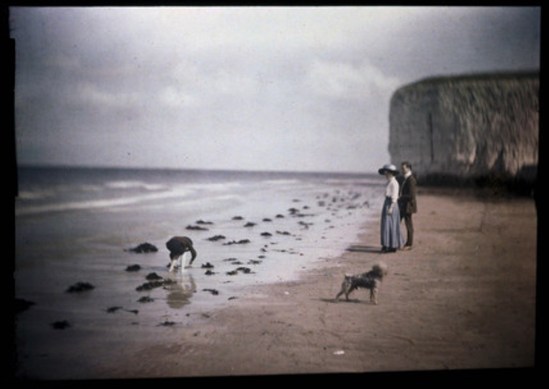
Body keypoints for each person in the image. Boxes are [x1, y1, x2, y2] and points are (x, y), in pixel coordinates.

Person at [378, 164, 404, 253]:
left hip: (391, 204)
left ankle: (392, 245)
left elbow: (395, 197)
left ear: (390, 173)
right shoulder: (390, 182)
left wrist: (391, 208)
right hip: (387, 203)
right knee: (386, 224)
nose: (385, 174)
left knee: (390, 224)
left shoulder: (394, 183)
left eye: (386, 172)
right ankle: (387, 244)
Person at [397, 161, 417, 250]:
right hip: (404, 205)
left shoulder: (411, 179)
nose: (402, 170)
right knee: (399, 222)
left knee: (408, 224)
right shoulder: (406, 178)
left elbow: (411, 195)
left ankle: (409, 244)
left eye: (403, 168)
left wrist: (400, 198)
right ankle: (399, 242)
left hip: (408, 205)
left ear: (408, 168)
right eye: (401, 168)